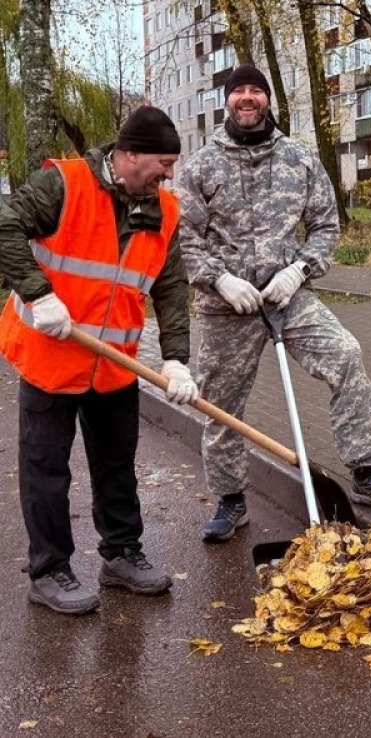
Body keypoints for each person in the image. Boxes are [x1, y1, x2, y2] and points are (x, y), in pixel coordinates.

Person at [177, 65, 371, 542]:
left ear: (268, 99)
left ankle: (365, 470)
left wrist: (300, 270)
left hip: (288, 298)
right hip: (227, 308)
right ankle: (229, 499)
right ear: (227, 101)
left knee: (345, 355)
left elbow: (326, 226)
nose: (248, 98)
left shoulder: (299, 158)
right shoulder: (200, 166)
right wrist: (219, 279)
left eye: (256, 91)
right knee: (222, 402)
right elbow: (183, 238)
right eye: (239, 91)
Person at [0, 106, 199, 615]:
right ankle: (48, 570)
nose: (169, 174)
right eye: (162, 162)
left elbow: (172, 287)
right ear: (127, 155)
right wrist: (38, 293)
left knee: (116, 468)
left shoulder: (164, 210)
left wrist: (177, 360)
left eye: (173, 163)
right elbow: (4, 226)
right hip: (52, 357)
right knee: (47, 471)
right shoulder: (63, 185)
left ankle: (121, 554)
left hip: (115, 364)